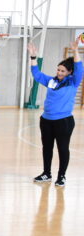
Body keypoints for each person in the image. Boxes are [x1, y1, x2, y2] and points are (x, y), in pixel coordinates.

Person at [29, 39, 82, 187]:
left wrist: (75, 51)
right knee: (47, 148)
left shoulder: (73, 82)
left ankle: (62, 176)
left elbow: (79, 67)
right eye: (58, 70)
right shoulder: (52, 81)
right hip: (46, 120)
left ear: (70, 72)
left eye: (62, 71)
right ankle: (46, 173)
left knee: (62, 148)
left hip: (63, 121)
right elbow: (37, 74)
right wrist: (33, 57)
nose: (59, 72)